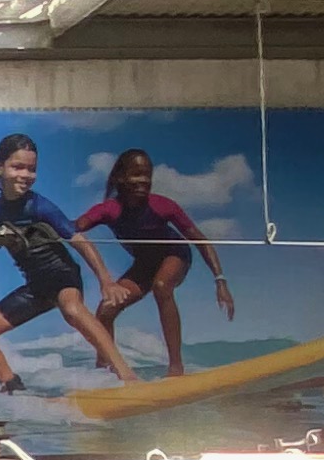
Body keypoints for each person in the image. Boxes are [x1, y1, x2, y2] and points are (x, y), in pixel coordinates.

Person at [0, 131, 136, 396]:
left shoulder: (40, 206)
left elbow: (79, 241)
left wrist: (105, 280)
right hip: (36, 287)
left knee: (72, 310)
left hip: (62, 276)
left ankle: (127, 376)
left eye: (31, 169)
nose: (26, 175)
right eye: (18, 167)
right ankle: (13, 387)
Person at [76, 147, 236, 374]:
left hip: (175, 255)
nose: (143, 180)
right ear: (121, 178)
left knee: (161, 286)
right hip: (145, 266)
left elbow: (200, 240)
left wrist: (220, 280)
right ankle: (105, 370)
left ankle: (176, 368)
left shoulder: (163, 205)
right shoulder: (109, 210)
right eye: (136, 174)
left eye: (147, 175)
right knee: (106, 309)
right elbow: (75, 226)